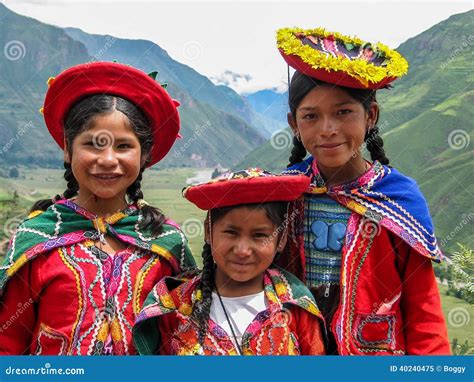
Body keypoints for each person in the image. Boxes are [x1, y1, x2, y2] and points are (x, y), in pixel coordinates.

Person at [0, 62, 197, 355]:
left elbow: (182, 340)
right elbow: (7, 342)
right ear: (68, 149)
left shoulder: (166, 242)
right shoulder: (35, 238)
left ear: (145, 155)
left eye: (123, 146)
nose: (107, 159)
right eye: (93, 144)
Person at [275, 27, 450, 355]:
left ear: (370, 116)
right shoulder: (284, 192)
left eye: (343, 112)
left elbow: (423, 309)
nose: (328, 129)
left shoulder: (398, 198)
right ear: (294, 124)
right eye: (311, 116)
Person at [133, 169, 325, 355]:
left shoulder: (296, 305)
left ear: (281, 239)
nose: (242, 250)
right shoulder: (175, 306)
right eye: (231, 233)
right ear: (208, 231)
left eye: (259, 236)